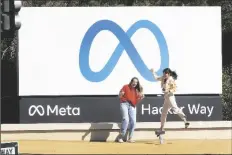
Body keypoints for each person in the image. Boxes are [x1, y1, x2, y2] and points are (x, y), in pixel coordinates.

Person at [150, 68, 190, 136]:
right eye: (164, 73)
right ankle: (162, 128)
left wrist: (168, 91)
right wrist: (153, 72)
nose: (165, 74)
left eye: (166, 73)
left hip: (170, 96)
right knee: (164, 113)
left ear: (169, 74)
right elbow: (156, 78)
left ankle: (185, 120)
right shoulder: (163, 78)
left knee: (175, 108)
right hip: (166, 97)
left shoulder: (171, 79)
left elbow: (175, 88)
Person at [118, 77, 144, 143]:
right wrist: (121, 94)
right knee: (126, 119)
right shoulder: (125, 86)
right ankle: (121, 137)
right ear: (131, 81)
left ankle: (130, 138)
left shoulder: (137, 90)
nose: (135, 83)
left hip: (132, 105)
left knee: (133, 121)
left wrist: (141, 97)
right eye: (134, 82)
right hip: (124, 103)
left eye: (136, 82)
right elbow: (120, 96)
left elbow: (137, 100)